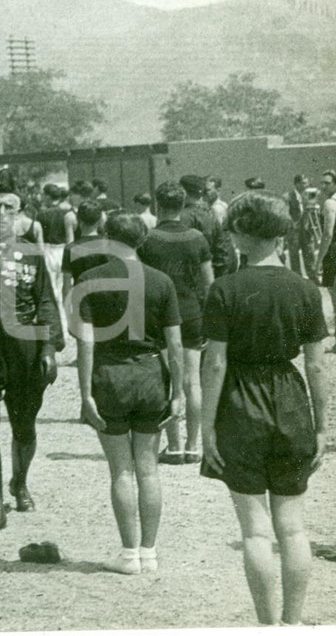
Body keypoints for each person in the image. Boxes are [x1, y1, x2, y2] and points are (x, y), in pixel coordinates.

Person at [200, 191, 328, 625]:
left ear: (241, 234)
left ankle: (268, 627)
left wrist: (207, 428)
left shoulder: (225, 289)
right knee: (293, 527)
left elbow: (215, 362)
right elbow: (316, 365)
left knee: (255, 530)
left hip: (240, 400)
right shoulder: (306, 289)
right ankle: (293, 624)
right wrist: (324, 426)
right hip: (291, 400)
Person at [76, 213, 185, 574]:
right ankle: (150, 552)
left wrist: (85, 392)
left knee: (121, 470)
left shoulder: (89, 280)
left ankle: (128, 555)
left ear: (106, 238)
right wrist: (178, 391)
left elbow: (86, 344)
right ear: (143, 239)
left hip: (110, 375)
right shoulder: (161, 281)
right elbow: (174, 344)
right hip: (151, 374)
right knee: (148, 469)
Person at [0, 190, 62, 532]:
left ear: (19, 214)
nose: (1, 213)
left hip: (25, 345)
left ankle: (20, 482)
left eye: (9, 207)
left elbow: (46, 300)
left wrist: (48, 348)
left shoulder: (31, 253)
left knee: (24, 425)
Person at [138, 182, 213, 464]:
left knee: (167, 379)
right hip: (192, 313)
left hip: (159, 317)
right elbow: (209, 283)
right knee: (193, 381)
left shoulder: (147, 239)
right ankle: (194, 446)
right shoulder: (197, 237)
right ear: (183, 206)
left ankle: (174, 445)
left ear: (158, 205)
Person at [179, 174, 237, 278]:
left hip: (196, 277)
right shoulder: (210, 213)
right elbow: (223, 247)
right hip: (216, 271)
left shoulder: (184, 216)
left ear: (183, 192)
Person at [315, 170, 336, 350]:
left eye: (327, 183)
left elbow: (327, 234)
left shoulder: (330, 203)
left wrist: (318, 259)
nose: (323, 187)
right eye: (322, 183)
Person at [285, 175, 316, 280]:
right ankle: (297, 277)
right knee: (294, 254)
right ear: (297, 184)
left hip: (307, 229)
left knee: (309, 252)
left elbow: (313, 211)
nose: (307, 185)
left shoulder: (310, 194)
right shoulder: (288, 196)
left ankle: (312, 276)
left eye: (307, 183)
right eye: (304, 183)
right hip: (294, 230)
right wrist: (292, 223)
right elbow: (285, 213)